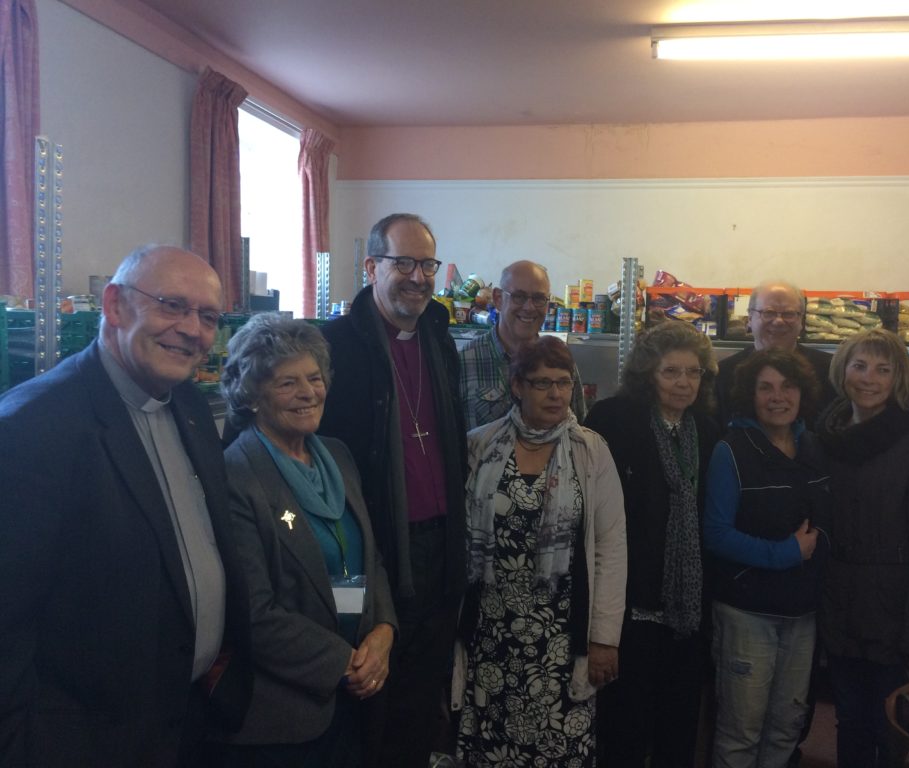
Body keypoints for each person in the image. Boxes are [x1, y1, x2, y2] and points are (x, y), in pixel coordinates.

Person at [0, 245, 252, 767]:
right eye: (172, 305)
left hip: (186, 721)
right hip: (84, 742)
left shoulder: (189, 407)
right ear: (114, 306)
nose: (192, 329)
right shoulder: (33, 428)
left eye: (208, 317)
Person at [215, 313, 397, 767]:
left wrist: (383, 631)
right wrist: (344, 663)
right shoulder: (235, 476)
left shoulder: (338, 455)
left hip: (357, 696)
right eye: (287, 383)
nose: (308, 393)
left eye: (314, 378)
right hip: (284, 717)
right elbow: (253, 613)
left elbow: (369, 559)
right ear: (251, 396)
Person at [318, 213, 467, 766]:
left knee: (420, 697)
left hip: (439, 549)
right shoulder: (333, 346)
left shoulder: (439, 342)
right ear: (371, 267)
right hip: (367, 554)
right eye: (403, 262)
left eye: (427, 264)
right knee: (365, 691)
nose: (418, 277)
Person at [455, 335, 627, 767]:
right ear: (518, 386)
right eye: (542, 383)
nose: (555, 394)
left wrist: (604, 638)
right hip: (493, 631)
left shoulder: (591, 450)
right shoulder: (480, 444)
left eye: (564, 382)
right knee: (491, 747)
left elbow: (610, 548)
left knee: (559, 746)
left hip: (562, 636)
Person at [816, 328, 909, 768]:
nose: (869, 378)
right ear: (842, 371)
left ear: (899, 379)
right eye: (859, 366)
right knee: (849, 720)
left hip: (894, 615)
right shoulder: (826, 440)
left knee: (893, 728)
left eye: (883, 369)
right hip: (840, 607)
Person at [583, 321, 720, 767]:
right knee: (624, 728)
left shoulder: (707, 429)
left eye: (693, 372)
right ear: (648, 374)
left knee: (677, 730)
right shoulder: (613, 420)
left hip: (686, 612)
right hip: (629, 607)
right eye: (671, 372)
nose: (684, 382)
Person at [703, 350, 831, 768]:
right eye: (766, 388)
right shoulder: (731, 450)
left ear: (802, 392)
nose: (778, 397)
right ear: (749, 395)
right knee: (741, 733)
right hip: (747, 613)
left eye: (788, 386)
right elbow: (716, 534)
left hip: (802, 613)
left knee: (786, 728)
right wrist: (785, 553)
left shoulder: (813, 446)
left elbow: (828, 518)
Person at [459, 260, 586, 429]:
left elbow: (579, 427)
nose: (529, 307)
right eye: (519, 297)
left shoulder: (560, 360)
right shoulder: (464, 361)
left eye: (539, 298)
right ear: (498, 299)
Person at [715, 280, 837, 431]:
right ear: (750, 318)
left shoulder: (830, 371)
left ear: (801, 320)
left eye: (789, 314)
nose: (778, 321)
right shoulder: (723, 374)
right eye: (768, 313)